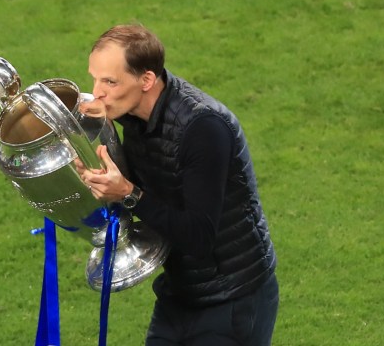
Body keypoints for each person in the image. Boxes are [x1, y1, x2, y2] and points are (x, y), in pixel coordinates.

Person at [75, 24, 278, 346]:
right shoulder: (134, 116)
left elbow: (198, 236)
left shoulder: (203, 129)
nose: (96, 93)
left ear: (147, 80)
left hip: (233, 300)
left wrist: (128, 193)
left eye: (110, 82)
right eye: (95, 78)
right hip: (181, 291)